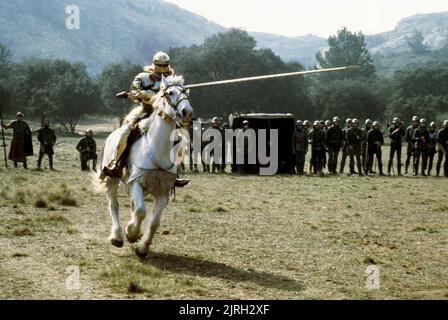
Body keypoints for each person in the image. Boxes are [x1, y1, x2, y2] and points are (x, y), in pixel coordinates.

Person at [102, 52, 189, 187]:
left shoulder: (171, 79)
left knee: (178, 138)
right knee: (126, 132)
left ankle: (174, 173)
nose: (162, 67)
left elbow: (177, 94)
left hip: (163, 113)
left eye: (165, 65)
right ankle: (116, 165)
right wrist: (150, 95)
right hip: (145, 110)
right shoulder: (142, 77)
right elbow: (135, 92)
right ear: (154, 64)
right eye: (159, 65)